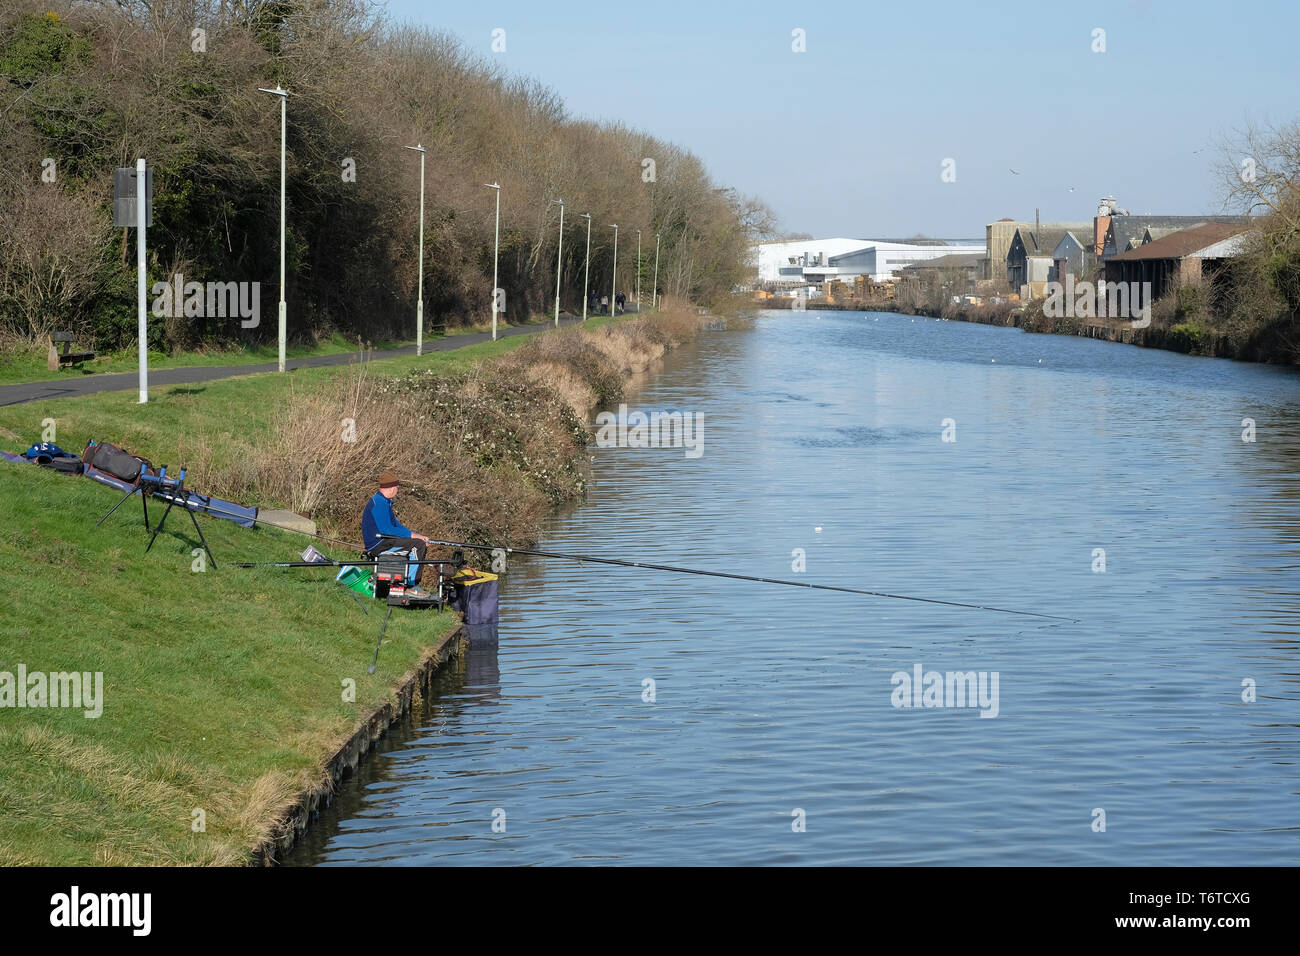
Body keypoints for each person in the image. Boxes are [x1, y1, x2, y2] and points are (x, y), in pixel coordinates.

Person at [361, 471, 431, 595]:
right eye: (397, 488)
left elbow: (396, 526)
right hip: (379, 545)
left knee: (418, 541)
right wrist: (414, 537)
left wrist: (416, 535)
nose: (397, 491)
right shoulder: (379, 503)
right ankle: (410, 585)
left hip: (385, 541)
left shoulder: (384, 502)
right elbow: (386, 529)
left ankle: (407, 582)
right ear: (392, 488)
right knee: (418, 545)